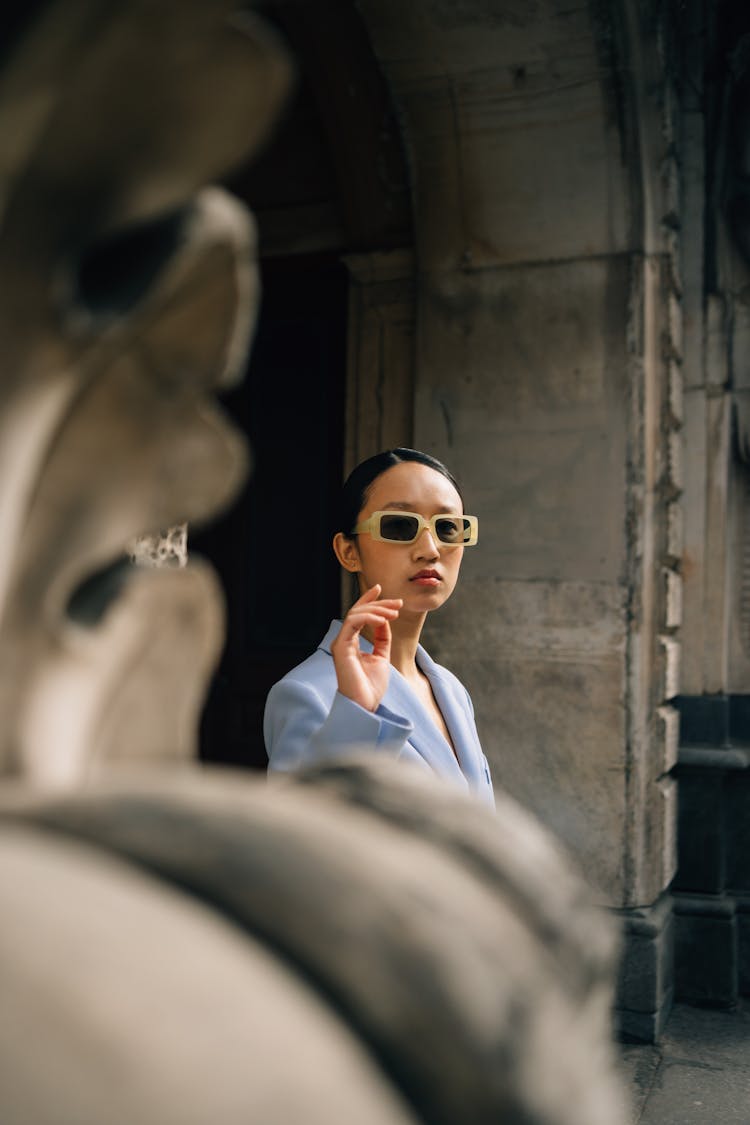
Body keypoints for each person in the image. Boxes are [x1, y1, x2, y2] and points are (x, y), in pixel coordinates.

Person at [264, 448, 494, 806]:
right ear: (348, 552)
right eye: (400, 526)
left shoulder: (450, 690)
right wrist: (354, 709)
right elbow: (297, 830)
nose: (430, 549)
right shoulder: (308, 692)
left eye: (447, 527)